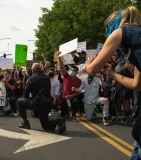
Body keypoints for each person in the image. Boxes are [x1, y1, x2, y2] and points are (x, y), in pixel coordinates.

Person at [84, 6, 141, 159]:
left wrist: (89, 62)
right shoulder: (136, 46)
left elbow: (91, 70)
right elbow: (137, 84)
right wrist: (113, 74)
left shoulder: (120, 32)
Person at [16, 63, 66, 134]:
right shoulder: (47, 78)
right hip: (47, 103)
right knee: (45, 126)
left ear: (33, 70)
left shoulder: (31, 78)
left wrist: (30, 103)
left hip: (37, 103)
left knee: (19, 101)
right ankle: (58, 121)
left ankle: (25, 122)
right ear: (41, 69)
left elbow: (25, 95)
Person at [57, 55, 82, 121]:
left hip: (72, 96)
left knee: (75, 102)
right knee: (63, 114)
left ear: (77, 72)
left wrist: (71, 96)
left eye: (73, 70)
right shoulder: (66, 76)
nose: (72, 71)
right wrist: (59, 57)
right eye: (70, 70)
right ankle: (66, 113)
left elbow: (78, 92)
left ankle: (74, 115)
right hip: (64, 97)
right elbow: (62, 67)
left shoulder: (79, 81)